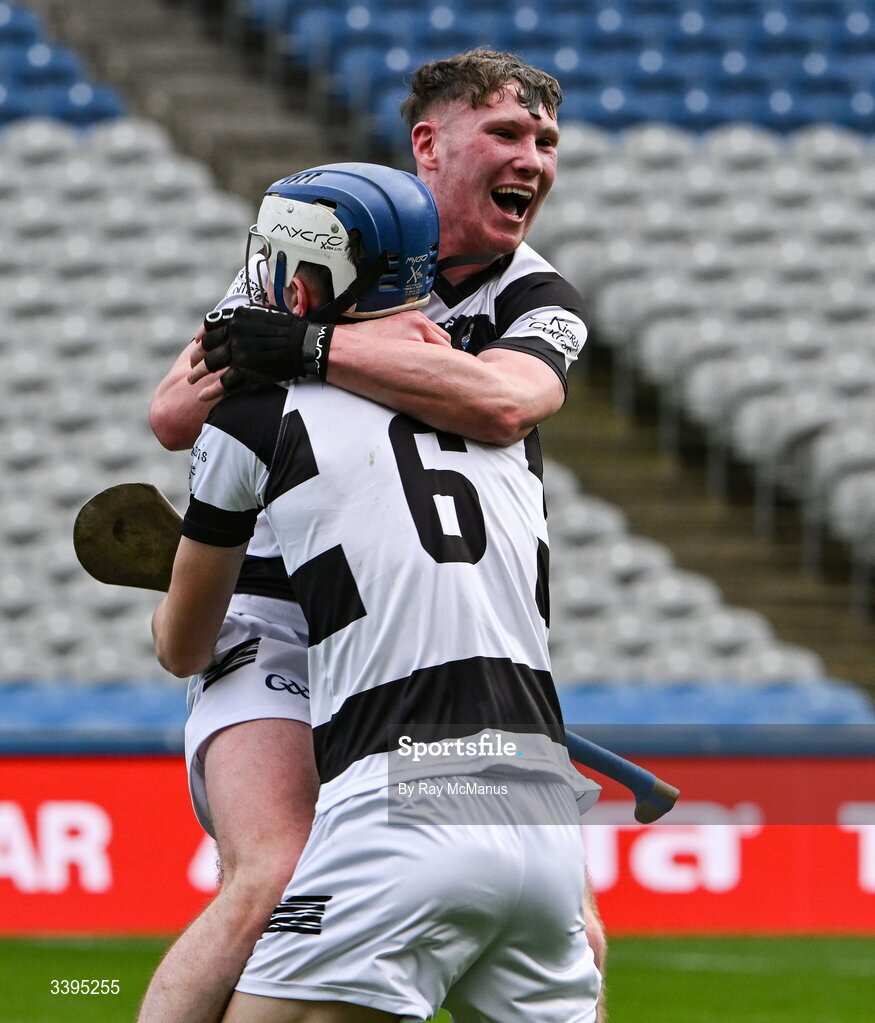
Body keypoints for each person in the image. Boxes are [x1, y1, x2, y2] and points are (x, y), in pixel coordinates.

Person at [144, 49, 606, 1023]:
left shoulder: (535, 293)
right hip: (275, 616)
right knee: (271, 873)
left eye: (545, 142)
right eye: (508, 135)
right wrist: (271, 338)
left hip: (419, 627)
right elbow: (175, 415)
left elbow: (511, 403)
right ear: (428, 146)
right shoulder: (316, 247)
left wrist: (308, 348)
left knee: (578, 925)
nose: (532, 159)